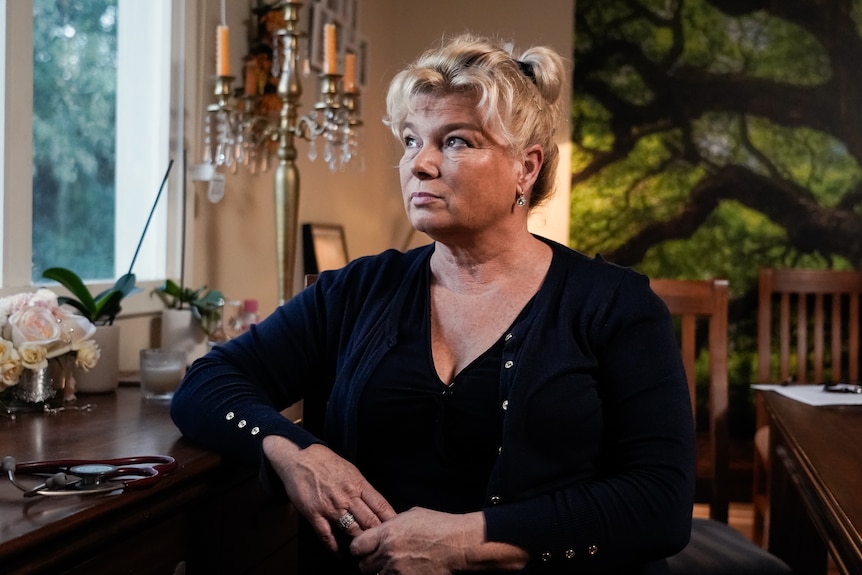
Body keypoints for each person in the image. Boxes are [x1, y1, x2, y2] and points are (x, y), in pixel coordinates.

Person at [171, 33, 695, 574]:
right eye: (409, 140)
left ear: (527, 167)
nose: (419, 164)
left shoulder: (614, 305)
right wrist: (293, 451)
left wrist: (469, 540)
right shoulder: (357, 289)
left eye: (456, 142)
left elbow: (660, 504)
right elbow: (206, 383)